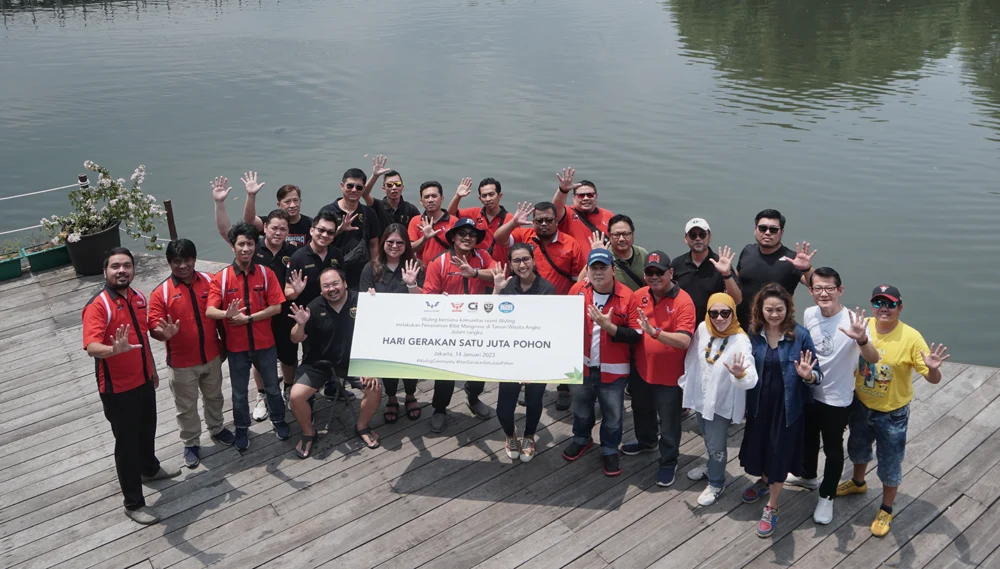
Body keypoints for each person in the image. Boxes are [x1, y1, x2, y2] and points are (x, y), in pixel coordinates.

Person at [836, 284, 949, 537]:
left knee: (890, 462)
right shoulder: (862, 326)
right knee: (857, 448)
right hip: (861, 404)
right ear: (871, 305)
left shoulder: (911, 337)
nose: (883, 309)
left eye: (890, 304)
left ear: (900, 307)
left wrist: (933, 369)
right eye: (878, 303)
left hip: (892, 412)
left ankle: (886, 508)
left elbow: (933, 380)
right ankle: (858, 482)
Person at [83, 247, 179, 525]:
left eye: (127, 265)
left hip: (143, 379)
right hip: (117, 388)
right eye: (115, 266)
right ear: (105, 271)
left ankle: (149, 468)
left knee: (147, 429)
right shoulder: (98, 305)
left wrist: (161, 342)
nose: (122, 270)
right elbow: (91, 346)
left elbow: (145, 336)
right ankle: (133, 503)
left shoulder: (137, 297)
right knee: (126, 445)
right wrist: (113, 350)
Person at [784, 268, 880, 524]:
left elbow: (873, 358)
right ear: (811, 291)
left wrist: (862, 340)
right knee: (807, 438)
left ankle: (827, 496)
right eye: (818, 288)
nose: (823, 294)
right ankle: (807, 476)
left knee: (833, 449)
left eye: (829, 288)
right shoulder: (810, 313)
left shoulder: (854, 321)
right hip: (809, 390)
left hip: (837, 398)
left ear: (840, 290)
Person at [739, 283, 822, 538]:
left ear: (788, 308)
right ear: (760, 310)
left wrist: (808, 376)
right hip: (758, 405)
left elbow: (818, 376)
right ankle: (765, 481)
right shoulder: (754, 333)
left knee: (778, 454)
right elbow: (746, 367)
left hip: (787, 408)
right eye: (769, 310)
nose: (774, 314)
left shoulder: (800, 335)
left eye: (779, 309)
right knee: (762, 447)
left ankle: (772, 506)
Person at [213, 175, 299, 419]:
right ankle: (262, 395)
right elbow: (226, 232)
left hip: (283, 313)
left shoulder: (294, 252)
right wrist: (220, 203)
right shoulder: (252, 248)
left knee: (289, 356)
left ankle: (288, 389)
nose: (278, 232)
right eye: (274, 228)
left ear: (288, 231)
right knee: (258, 359)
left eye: (283, 229)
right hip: (255, 315)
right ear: (265, 228)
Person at [147, 239, 235, 469]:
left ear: (194, 259)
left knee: (215, 397)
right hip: (181, 363)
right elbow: (153, 328)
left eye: (187, 260)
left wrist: (224, 344)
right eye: (177, 261)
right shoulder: (160, 293)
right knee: (186, 407)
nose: (183, 266)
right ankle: (191, 442)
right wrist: (163, 333)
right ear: (169, 263)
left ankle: (217, 428)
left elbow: (221, 314)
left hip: (212, 355)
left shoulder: (210, 280)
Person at [494, 201, 588, 411]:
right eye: (539, 220)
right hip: (525, 307)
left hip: (559, 306)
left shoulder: (571, 244)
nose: (543, 224)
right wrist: (513, 222)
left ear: (556, 221)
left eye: (548, 220)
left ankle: (564, 388)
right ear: (533, 221)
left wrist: (573, 305)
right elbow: (499, 239)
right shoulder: (524, 235)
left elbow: (578, 278)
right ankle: (528, 385)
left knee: (561, 349)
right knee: (528, 346)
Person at [207, 222, 291, 450]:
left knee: (272, 387)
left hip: (265, 343)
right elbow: (210, 310)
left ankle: (279, 420)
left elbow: (277, 307)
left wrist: (249, 319)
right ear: (232, 247)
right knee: (239, 393)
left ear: (256, 246)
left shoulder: (266, 273)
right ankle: (242, 428)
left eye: (250, 244)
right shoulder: (222, 278)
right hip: (236, 347)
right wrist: (227, 314)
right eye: (241, 244)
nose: (246, 249)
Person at [563, 249, 642, 477]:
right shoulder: (577, 291)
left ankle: (609, 449)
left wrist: (610, 327)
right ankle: (582, 438)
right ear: (587, 271)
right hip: (580, 367)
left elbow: (637, 334)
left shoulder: (628, 296)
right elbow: (563, 323)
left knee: (613, 415)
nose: (598, 272)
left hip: (613, 371)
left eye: (603, 268)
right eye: (594, 268)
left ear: (613, 270)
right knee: (580, 410)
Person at [288, 268, 382, 457]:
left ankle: (362, 426)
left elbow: (377, 331)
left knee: (375, 389)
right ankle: (309, 433)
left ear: (345, 283)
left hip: (354, 361)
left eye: (335, 283)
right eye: (326, 286)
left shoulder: (363, 301)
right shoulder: (313, 307)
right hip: (319, 363)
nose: (331, 289)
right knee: (296, 396)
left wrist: (370, 366)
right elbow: (295, 339)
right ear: (321, 290)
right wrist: (300, 324)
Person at [622, 251, 696, 487]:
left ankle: (668, 461)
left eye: (659, 272)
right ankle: (647, 442)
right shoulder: (639, 295)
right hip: (641, 370)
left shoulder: (684, 301)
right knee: (641, 409)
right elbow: (631, 328)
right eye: (649, 272)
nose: (654, 277)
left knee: (669, 422)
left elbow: (684, 340)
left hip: (670, 377)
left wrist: (655, 333)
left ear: (670, 273)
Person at [679, 293, 757, 506]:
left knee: (716, 444)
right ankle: (710, 466)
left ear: (733, 313)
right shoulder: (703, 328)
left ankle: (716, 482)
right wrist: (687, 385)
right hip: (701, 398)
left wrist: (741, 374)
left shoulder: (740, 340)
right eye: (714, 313)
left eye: (725, 313)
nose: (719, 318)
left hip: (720, 402)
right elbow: (692, 358)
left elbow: (750, 376)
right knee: (706, 435)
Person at [423, 218, 497, 432]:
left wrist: (474, 273)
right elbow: (428, 296)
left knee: (479, 368)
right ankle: (439, 408)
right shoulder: (439, 262)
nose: (467, 238)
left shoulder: (482, 256)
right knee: (445, 372)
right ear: (453, 237)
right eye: (462, 233)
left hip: (478, 323)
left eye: (472, 234)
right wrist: (441, 302)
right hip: (448, 324)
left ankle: (473, 398)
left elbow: (498, 274)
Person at [491, 243, 557, 462]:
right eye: (516, 261)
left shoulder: (547, 289)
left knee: (534, 401)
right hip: (509, 356)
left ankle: (529, 436)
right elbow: (490, 319)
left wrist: (533, 365)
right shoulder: (506, 286)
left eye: (526, 259)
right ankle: (511, 435)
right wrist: (497, 290)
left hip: (537, 356)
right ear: (510, 264)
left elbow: (550, 328)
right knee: (503, 409)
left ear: (533, 260)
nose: (522, 265)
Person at [359, 223, 425, 424]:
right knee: (388, 365)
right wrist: (369, 297)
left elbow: (426, 299)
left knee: (411, 365)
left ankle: (411, 395)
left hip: (412, 326)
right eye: (390, 242)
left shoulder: (417, 266)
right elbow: (363, 301)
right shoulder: (371, 268)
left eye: (399, 242)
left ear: (406, 245)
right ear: (383, 243)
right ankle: (392, 397)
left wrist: (412, 284)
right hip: (383, 328)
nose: (394, 246)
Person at [735, 209, 817, 329]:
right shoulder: (748, 251)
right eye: (763, 228)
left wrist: (806, 268)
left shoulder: (792, 259)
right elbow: (735, 282)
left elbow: (817, 285)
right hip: (741, 328)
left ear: (781, 232)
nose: (767, 233)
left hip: (776, 330)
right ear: (755, 229)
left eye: (773, 230)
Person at [320, 168, 382, 290]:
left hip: (361, 273)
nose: (354, 190)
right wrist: (339, 230)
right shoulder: (327, 212)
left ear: (364, 189)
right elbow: (318, 242)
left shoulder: (369, 213)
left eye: (359, 187)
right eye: (350, 186)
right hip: (332, 270)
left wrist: (375, 269)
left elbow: (374, 245)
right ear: (342, 186)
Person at [672, 218, 743, 323]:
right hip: (683, 323)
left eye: (702, 234)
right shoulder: (677, 264)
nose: (698, 239)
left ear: (709, 237)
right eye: (693, 235)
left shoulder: (721, 263)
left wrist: (726, 274)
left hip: (713, 325)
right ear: (686, 239)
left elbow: (737, 299)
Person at [447, 177, 513, 263]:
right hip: (475, 266)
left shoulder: (511, 220)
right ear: (480, 199)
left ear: (499, 196)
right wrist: (458, 196)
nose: (488, 199)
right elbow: (450, 216)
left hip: (500, 266)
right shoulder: (474, 213)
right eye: (484, 196)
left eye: (491, 194)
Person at [238, 171, 313, 248]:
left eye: (296, 200)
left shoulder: (311, 224)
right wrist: (251, 195)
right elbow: (249, 221)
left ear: (300, 201)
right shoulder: (272, 223)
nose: (293, 205)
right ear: (279, 204)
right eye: (287, 202)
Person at [552, 167, 615, 247]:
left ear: (596, 197)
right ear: (574, 198)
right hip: (573, 255)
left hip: (602, 254)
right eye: (581, 195)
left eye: (590, 195)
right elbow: (554, 210)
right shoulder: (567, 213)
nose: (586, 198)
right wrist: (563, 191)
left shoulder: (608, 215)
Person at [590, 214, 648, 293]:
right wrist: (596, 255)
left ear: (632, 234)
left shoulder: (642, 254)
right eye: (616, 235)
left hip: (640, 299)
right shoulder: (604, 257)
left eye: (626, 234)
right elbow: (582, 281)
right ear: (609, 236)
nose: (621, 239)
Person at [363, 157, 422, 230]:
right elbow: (364, 193)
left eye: (398, 184)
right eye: (390, 185)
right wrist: (375, 176)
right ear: (384, 188)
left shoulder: (411, 209)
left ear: (402, 187)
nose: (394, 187)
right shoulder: (378, 206)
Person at [407, 181, 456, 266]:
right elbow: (410, 249)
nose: (430, 200)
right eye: (426, 197)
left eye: (434, 196)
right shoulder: (416, 221)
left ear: (442, 199)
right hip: (423, 270)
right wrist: (424, 238)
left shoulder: (453, 221)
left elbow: (460, 249)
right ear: (421, 201)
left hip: (447, 269)